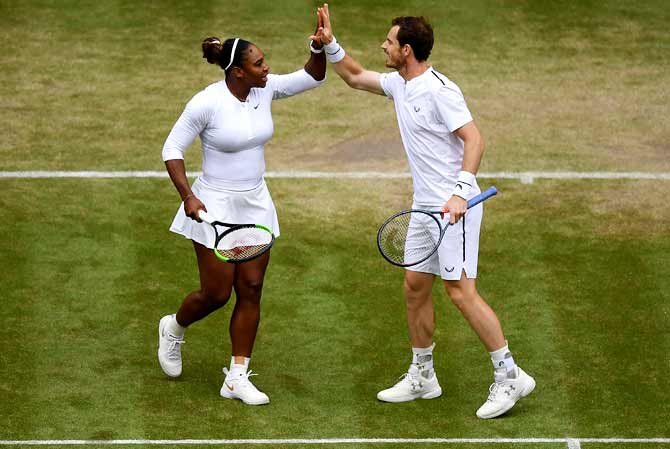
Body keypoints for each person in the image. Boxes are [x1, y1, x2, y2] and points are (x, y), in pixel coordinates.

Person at [313, 4, 535, 418]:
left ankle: (510, 377)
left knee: (460, 292)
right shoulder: (401, 84)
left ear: (408, 50)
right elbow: (356, 77)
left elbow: (474, 139)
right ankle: (423, 376)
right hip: (424, 208)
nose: (383, 45)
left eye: (390, 41)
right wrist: (331, 44)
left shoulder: (440, 91)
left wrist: (460, 192)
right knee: (415, 286)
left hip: (456, 208)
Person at [158, 16, 326, 405]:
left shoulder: (264, 89)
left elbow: (313, 77)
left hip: (255, 203)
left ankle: (236, 377)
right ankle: (174, 327)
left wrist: (318, 48)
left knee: (251, 288)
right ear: (237, 72)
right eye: (259, 63)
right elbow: (172, 149)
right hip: (212, 205)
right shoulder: (206, 103)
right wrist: (188, 196)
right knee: (216, 294)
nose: (267, 68)